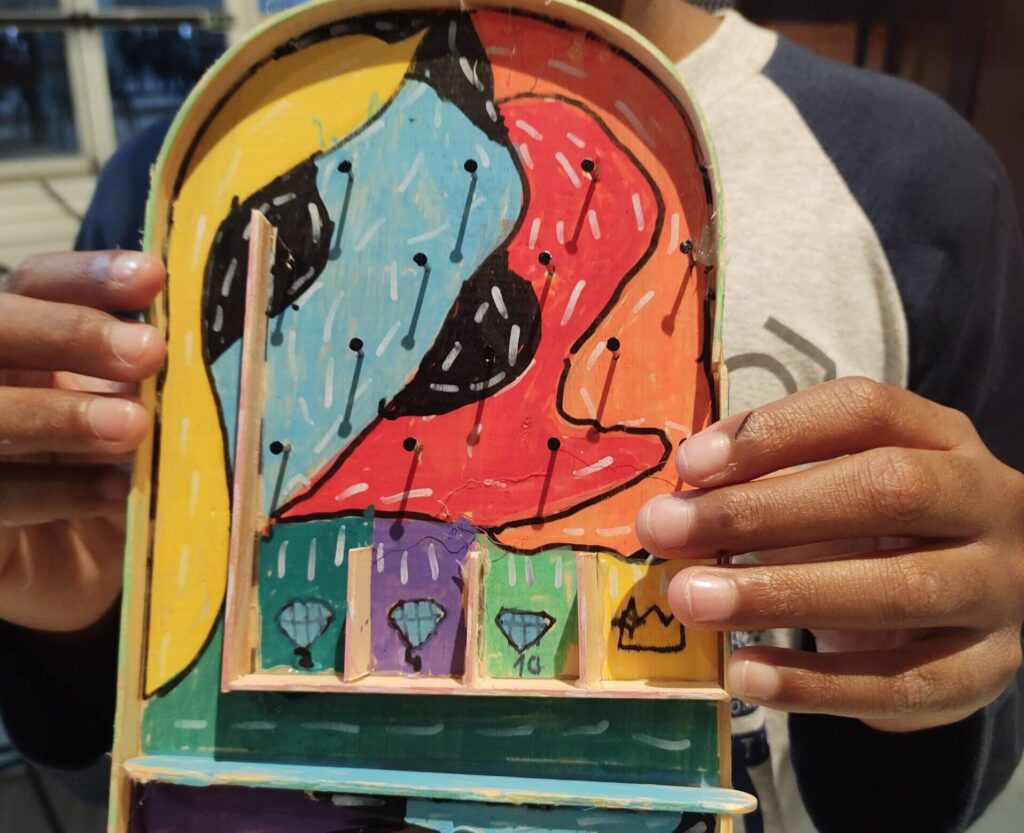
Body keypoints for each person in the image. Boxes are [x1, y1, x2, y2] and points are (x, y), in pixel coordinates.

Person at [1, 2, 1021, 831]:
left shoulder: (912, 181)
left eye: (475, 335)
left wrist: (925, 675)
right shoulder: (182, 173)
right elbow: (128, 760)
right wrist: (82, 626)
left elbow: (929, 758)